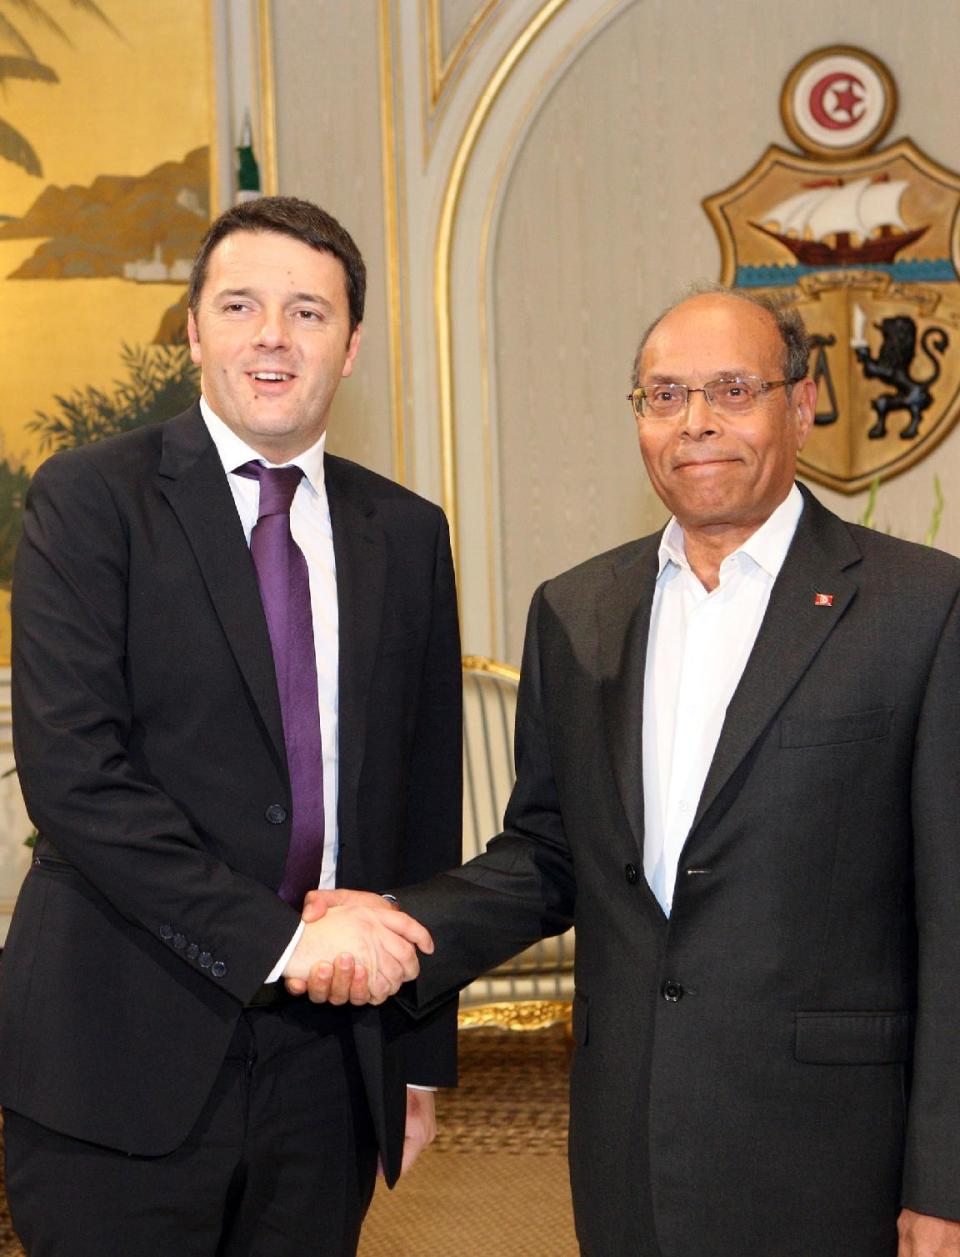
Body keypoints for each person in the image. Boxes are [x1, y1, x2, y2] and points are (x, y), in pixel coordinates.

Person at [302, 288, 960, 1256]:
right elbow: (548, 856)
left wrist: (943, 1184)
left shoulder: (921, 609)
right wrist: (395, 924)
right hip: (629, 1135)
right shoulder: (578, 612)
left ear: (804, 402)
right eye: (665, 396)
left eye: (734, 391)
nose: (696, 424)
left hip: (839, 1152)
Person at [0, 195, 462, 1256]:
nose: (272, 336)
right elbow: (76, 780)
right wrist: (288, 937)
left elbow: (421, 796)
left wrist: (418, 1053)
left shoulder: (406, 532)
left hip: (327, 1066)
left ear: (351, 345)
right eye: (241, 305)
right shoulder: (91, 500)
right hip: (119, 1052)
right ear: (195, 329)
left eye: (308, 312)